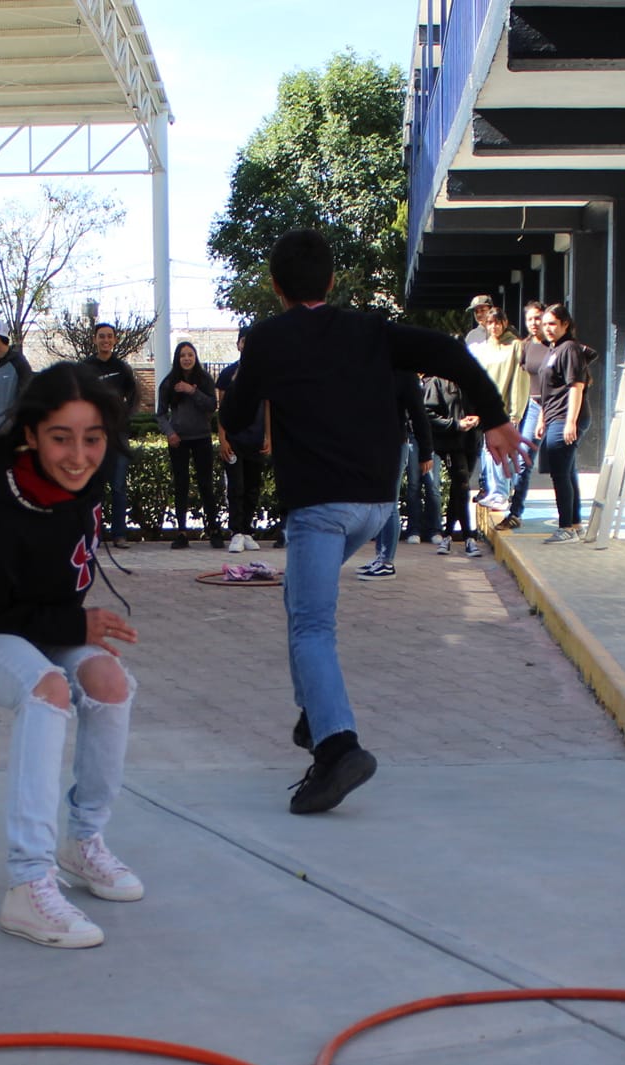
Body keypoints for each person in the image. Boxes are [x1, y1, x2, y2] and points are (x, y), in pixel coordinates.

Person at [218, 229, 520, 813]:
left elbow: (234, 411)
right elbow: (454, 353)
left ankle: (337, 746)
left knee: (311, 628)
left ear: (276, 286)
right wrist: (497, 418)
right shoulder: (370, 331)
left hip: (319, 511)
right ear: (331, 282)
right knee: (300, 612)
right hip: (378, 507)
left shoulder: (267, 339)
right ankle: (315, 717)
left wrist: (247, 400)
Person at [0, 362, 142, 949]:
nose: (78, 455)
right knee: (47, 690)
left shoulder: (87, 481)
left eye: (92, 438)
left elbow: (54, 593)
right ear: (32, 435)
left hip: (32, 624)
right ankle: (28, 884)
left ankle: (83, 844)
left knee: (109, 681)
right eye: (61, 437)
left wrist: (71, 628)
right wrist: (71, 623)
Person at [354, 373, 436, 579]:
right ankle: (380, 556)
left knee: (388, 502)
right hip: (371, 443)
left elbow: (419, 414)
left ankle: (386, 561)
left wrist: (426, 452)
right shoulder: (369, 368)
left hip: (393, 444)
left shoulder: (403, 374)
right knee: (377, 502)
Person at [534, 302, 593, 542]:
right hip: (553, 416)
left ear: (565, 324)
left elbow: (576, 386)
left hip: (566, 417)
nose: (548, 328)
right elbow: (548, 390)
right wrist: (542, 418)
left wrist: (570, 422)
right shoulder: (553, 349)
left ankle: (566, 527)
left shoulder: (569, 348)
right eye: (545, 324)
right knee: (568, 473)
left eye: (553, 324)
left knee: (560, 474)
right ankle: (575, 524)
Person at [156, 340, 222, 549]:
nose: (186, 358)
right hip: (179, 440)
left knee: (206, 484)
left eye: (190, 355)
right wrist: (170, 432)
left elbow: (212, 405)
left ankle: (213, 528)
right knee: (181, 485)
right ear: (178, 358)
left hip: (201, 437)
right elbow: (160, 414)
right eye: (183, 355)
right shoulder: (168, 383)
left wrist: (192, 391)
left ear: (195, 357)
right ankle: (182, 531)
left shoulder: (204, 380)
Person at [468, 302, 532, 515]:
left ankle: (502, 493)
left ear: (505, 323)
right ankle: (495, 491)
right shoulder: (484, 348)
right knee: (488, 450)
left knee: (502, 449)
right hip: (487, 406)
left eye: (497, 323)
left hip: (505, 407)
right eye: (490, 323)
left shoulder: (514, 345)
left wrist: (515, 411)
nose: (494, 327)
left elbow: (518, 379)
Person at [495, 301, 551, 530]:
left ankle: (572, 518)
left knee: (562, 465)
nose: (534, 323)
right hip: (531, 405)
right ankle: (516, 511)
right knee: (522, 457)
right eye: (530, 319)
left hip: (553, 406)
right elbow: (516, 381)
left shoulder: (555, 345)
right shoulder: (524, 346)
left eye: (538, 318)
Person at [86, 322, 140, 548]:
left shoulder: (122, 368)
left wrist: (123, 416)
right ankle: (93, 535)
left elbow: (135, 396)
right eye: (101, 336)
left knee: (118, 487)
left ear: (115, 340)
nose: (105, 340)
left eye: (109, 337)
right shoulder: (86, 367)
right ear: (95, 339)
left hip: (117, 437)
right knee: (93, 487)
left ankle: (119, 534)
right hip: (93, 437)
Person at [216, 323, 268, 552]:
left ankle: (247, 530)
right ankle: (235, 531)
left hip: (256, 439)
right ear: (238, 344)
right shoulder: (228, 374)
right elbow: (221, 409)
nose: (247, 345)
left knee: (253, 487)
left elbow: (268, 406)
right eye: (244, 340)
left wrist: (269, 436)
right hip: (235, 439)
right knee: (236, 487)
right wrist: (223, 438)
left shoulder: (264, 375)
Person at [424, 370, 484, 557]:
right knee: (463, 485)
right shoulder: (437, 382)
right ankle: (468, 538)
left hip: (472, 441)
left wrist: (478, 418)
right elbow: (427, 412)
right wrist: (455, 424)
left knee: (458, 489)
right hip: (451, 443)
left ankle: (448, 535)